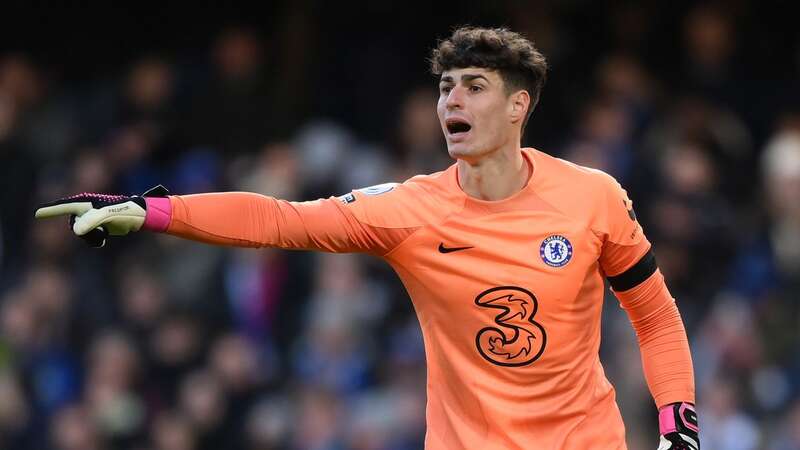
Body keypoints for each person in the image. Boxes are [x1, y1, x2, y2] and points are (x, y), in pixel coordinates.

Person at [35, 26, 698, 449]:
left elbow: (656, 318)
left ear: (519, 107)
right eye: (445, 89)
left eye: (474, 87)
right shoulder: (409, 210)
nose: (452, 103)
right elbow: (279, 220)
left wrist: (678, 428)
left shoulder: (593, 197)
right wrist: (153, 211)